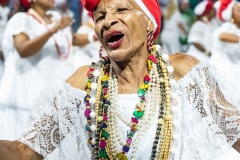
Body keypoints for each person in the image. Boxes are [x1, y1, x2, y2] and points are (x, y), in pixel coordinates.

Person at [0, 0, 240, 159]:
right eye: (100, 16)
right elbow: (25, 152)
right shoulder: (86, 81)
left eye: (121, 10)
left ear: (149, 22)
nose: (107, 21)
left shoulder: (182, 72)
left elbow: (236, 132)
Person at [0, 0, 97, 140]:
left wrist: (92, 36)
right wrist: (53, 29)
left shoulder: (56, 18)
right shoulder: (21, 19)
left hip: (56, 88)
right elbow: (22, 49)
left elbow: (71, 39)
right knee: (27, 142)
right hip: (28, 93)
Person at [211, 0, 240, 90]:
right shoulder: (228, 26)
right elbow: (222, 36)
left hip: (234, 65)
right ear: (230, 14)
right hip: (223, 66)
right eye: (238, 10)